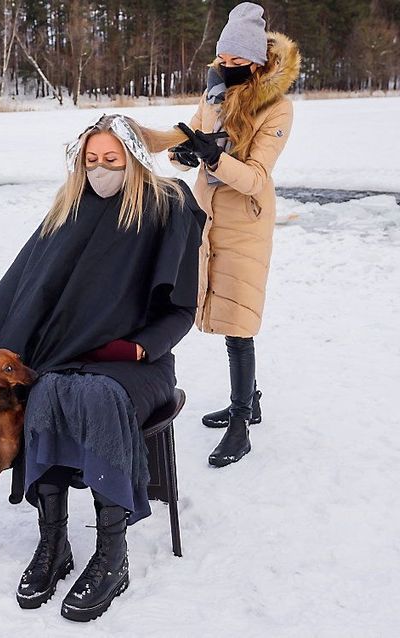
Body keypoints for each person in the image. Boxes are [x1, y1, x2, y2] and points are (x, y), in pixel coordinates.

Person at [0, 114, 205, 621]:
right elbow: (27, 292)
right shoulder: (68, 213)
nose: (100, 170)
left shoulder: (169, 208)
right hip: (68, 356)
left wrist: (136, 349)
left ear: (134, 160)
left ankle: (112, 555)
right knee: (47, 390)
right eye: (91, 160)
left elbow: (182, 309)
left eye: (111, 161)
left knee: (94, 394)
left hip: (138, 362)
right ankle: (53, 543)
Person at [158, 2, 301, 467]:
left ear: (258, 62)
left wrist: (215, 158)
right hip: (208, 216)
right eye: (224, 58)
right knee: (217, 308)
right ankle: (250, 400)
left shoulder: (277, 108)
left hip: (245, 219)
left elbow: (257, 176)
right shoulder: (213, 96)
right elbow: (192, 141)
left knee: (239, 320)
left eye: (239, 60)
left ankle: (241, 424)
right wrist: (184, 153)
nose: (229, 66)